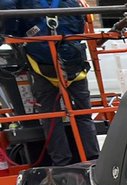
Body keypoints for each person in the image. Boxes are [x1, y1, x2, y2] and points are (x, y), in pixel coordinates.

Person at [0, 0, 99, 166]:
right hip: (74, 65)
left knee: (51, 118)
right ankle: (93, 159)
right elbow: (79, 25)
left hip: (42, 68)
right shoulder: (71, 2)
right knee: (83, 115)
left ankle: (61, 163)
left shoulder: (25, 4)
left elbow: (11, 27)